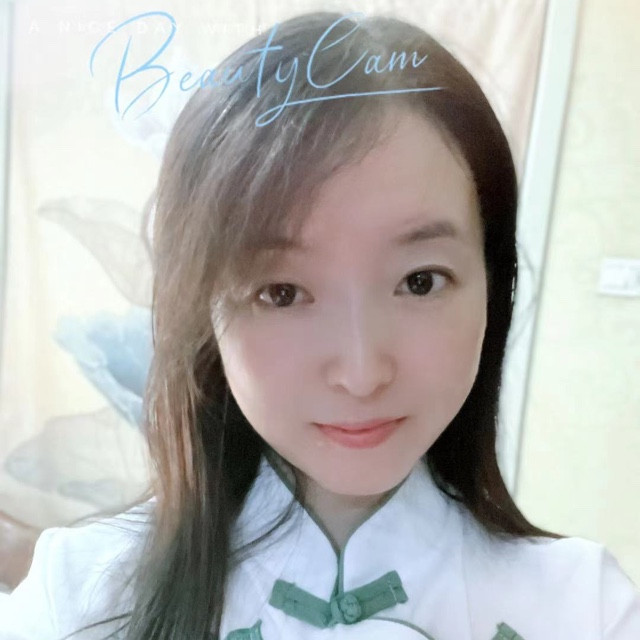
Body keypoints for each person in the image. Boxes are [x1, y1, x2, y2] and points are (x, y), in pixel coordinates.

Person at [1, 10, 639, 640]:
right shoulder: (77, 599)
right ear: (202, 310)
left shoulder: (586, 609)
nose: (362, 373)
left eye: (420, 281)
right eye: (282, 292)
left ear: (493, 285)